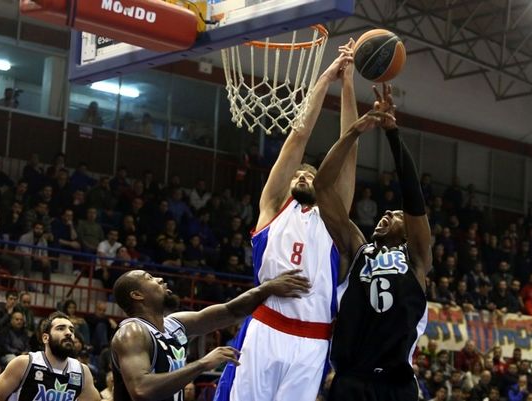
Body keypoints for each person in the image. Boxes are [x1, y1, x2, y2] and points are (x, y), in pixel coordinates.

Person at [215, 40, 359, 401]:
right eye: (298, 176)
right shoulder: (275, 205)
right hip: (266, 327)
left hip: (313, 339)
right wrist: (325, 78)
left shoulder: (331, 218)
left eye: (309, 176)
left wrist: (349, 83)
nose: (301, 178)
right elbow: (297, 139)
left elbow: (349, 147)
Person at [312, 84, 431, 401]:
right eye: (386, 211)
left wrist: (393, 135)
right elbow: (321, 188)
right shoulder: (357, 248)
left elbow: (413, 198)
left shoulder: (417, 258)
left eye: (395, 214)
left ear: (409, 229)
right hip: (351, 380)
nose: (387, 213)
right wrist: (353, 132)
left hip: (395, 385)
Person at [110, 268, 310, 401]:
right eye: (149, 278)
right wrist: (203, 364)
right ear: (137, 295)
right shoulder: (132, 332)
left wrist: (266, 289)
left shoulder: (175, 324)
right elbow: (141, 390)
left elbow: (230, 312)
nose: (160, 279)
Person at [0, 312, 100, 401]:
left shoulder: (82, 371)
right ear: (46, 338)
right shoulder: (24, 363)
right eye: (60, 328)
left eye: (71, 330)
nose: (68, 333)